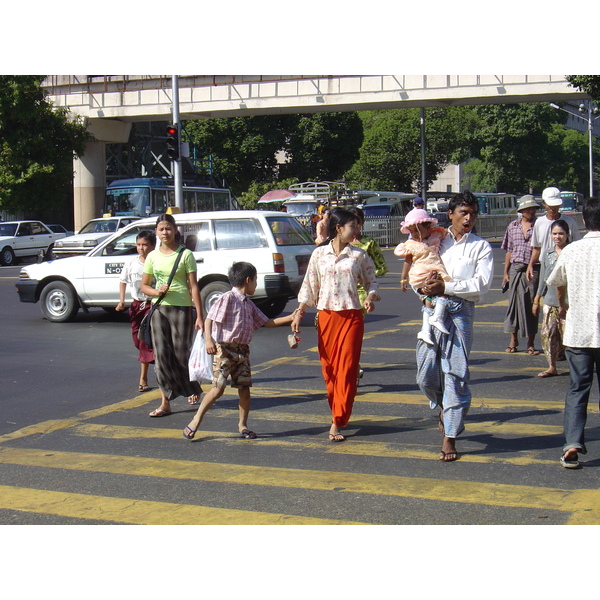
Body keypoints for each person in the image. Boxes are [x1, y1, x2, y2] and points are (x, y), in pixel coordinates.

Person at [415, 191, 494, 461]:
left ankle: (450, 436)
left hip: (461, 313)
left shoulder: (480, 246)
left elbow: (481, 285)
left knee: (456, 375)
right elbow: (419, 270)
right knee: (426, 373)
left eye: (473, 213)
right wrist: (424, 288)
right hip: (431, 310)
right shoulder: (435, 240)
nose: (468, 218)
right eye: (463, 213)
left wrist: (446, 286)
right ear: (451, 214)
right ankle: (441, 405)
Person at [291, 208, 380, 442]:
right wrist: (300, 311)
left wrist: (370, 297)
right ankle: (336, 411)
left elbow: (372, 282)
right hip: (327, 317)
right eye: (353, 226)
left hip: (351, 317)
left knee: (348, 369)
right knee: (329, 369)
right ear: (338, 229)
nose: (357, 230)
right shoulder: (319, 254)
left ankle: (337, 420)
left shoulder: (359, 255)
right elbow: (309, 286)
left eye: (357, 226)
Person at [183, 262, 294, 440]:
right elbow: (210, 319)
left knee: (244, 389)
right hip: (224, 350)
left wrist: (291, 317)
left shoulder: (248, 304)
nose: (256, 284)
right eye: (255, 280)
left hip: (242, 352)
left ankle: (243, 425)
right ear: (248, 280)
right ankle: (196, 420)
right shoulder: (228, 298)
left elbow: (267, 322)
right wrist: (209, 340)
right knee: (218, 389)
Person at [546, 197, 600, 469]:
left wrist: (565, 304)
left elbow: (556, 281)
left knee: (578, 388)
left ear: (583, 221)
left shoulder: (572, 250)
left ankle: (572, 444)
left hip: (578, 332)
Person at [140, 213, 203, 417]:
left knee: (181, 354)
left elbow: (194, 287)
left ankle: (192, 386)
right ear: (156, 232)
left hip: (182, 309)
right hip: (159, 309)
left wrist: (200, 316)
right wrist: (157, 291)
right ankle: (165, 402)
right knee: (161, 357)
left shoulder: (185, 255)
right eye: (161, 229)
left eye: (168, 228)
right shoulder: (152, 256)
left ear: (175, 230)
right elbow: (144, 286)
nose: (165, 232)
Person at [394, 208, 451, 345]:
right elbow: (408, 261)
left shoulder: (435, 237)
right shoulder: (412, 245)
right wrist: (403, 278)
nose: (414, 234)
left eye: (417, 230)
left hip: (436, 269)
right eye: (412, 231)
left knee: (441, 293)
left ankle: (430, 324)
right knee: (431, 295)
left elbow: (446, 235)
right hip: (422, 272)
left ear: (427, 226)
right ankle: (431, 323)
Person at [116, 230, 156, 392]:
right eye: (138, 245)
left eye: (145, 245)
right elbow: (123, 281)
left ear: (152, 246)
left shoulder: (156, 262)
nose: (141, 248)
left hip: (151, 305)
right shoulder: (131, 263)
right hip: (136, 306)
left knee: (145, 341)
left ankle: (143, 378)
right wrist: (121, 301)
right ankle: (152, 360)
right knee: (137, 341)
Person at [501, 195, 540, 354]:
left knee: (532, 305)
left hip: (534, 269)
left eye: (533, 208)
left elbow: (539, 249)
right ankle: (513, 340)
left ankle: (530, 343)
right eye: (527, 208)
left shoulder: (539, 226)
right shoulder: (512, 226)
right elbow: (509, 250)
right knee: (513, 306)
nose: (531, 211)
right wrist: (505, 273)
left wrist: (531, 265)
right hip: (515, 268)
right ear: (521, 210)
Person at [532, 219, 570, 378]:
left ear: (567, 235)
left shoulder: (572, 251)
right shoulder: (547, 254)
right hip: (550, 300)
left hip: (568, 303)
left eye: (561, 234)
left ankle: (575, 367)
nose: (558, 237)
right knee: (549, 335)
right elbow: (543, 278)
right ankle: (551, 366)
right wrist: (537, 299)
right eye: (555, 234)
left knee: (569, 337)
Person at [526, 186, 580, 282]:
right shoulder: (539, 222)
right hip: (545, 267)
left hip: (566, 267)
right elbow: (537, 248)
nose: (552, 208)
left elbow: (577, 246)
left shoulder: (570, 222)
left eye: (555, 205)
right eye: (550, 205)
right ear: (543, 203)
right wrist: (530, 265)